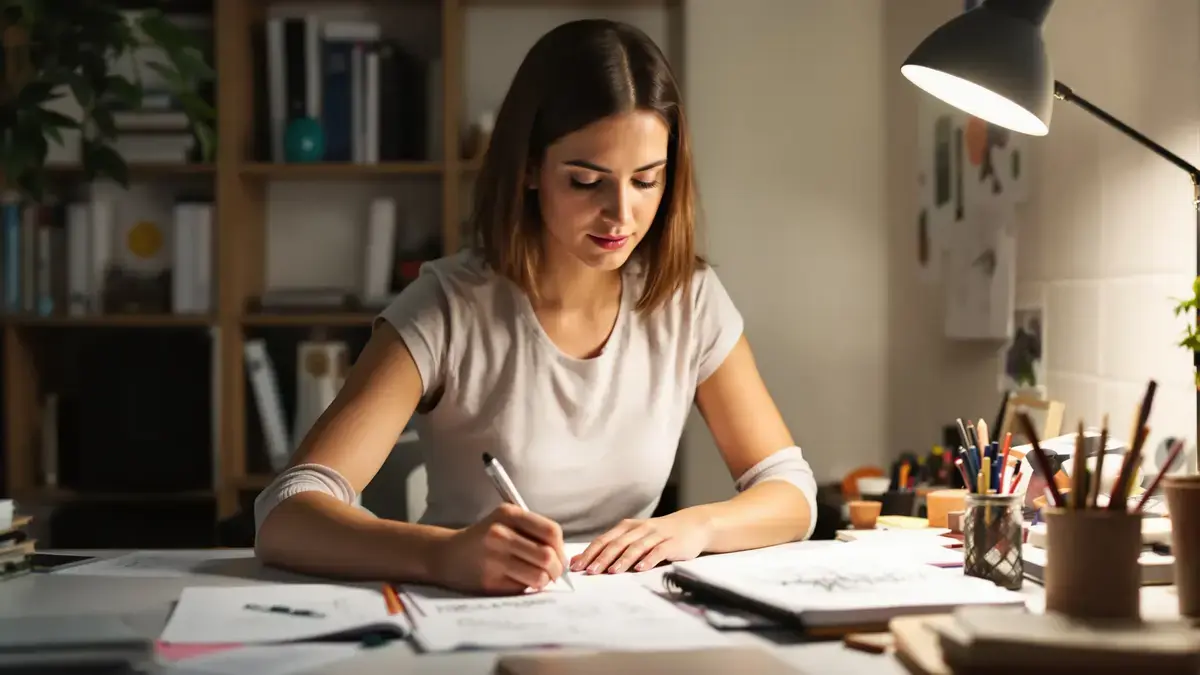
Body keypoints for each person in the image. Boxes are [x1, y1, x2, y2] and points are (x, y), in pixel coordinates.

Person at [254, 19, 816, 595]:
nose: (620, 214)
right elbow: (287, 511)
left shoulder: (686, 299)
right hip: (466, 611)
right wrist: (443, 554)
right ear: (528, 169)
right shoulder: (447, 308)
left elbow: (789, 488)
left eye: (646, 180)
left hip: (625, 616)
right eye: (585, 181)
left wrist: (699, 525)